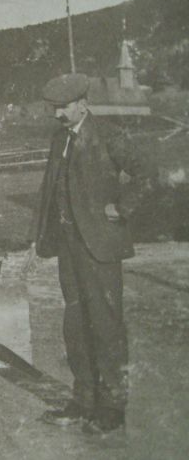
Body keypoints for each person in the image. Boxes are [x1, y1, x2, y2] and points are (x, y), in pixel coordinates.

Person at [29, 73, 151, 435]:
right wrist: (39, 237)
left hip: (100, 247)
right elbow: (50, 190)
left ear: (83, 104)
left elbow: (147, 172)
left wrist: (123, 208)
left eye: (64, 107)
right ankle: (83, 400)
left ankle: (112, 407)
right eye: (54, 108)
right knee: (76, 326)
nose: (58, 114)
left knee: (106, 326)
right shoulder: (60, 138)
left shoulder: (110, 136)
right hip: (69, 247)